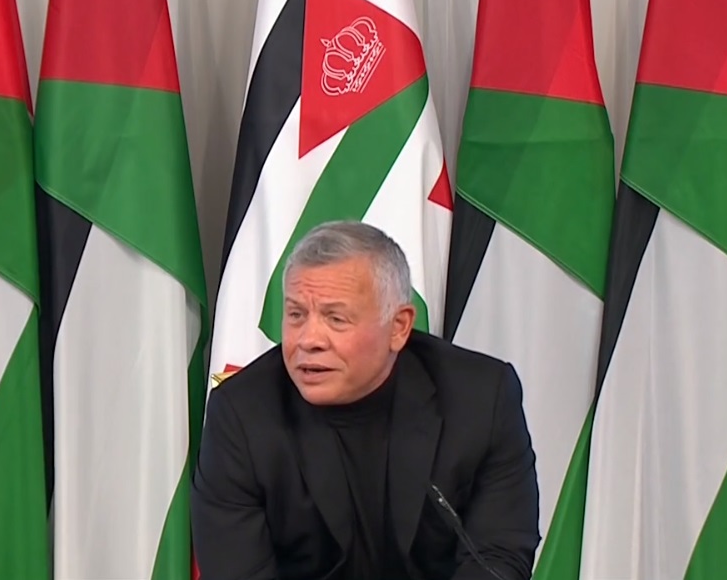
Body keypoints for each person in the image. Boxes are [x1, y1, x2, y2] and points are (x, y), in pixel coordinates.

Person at [191, 221, 540, 580]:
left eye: (335, 318)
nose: (308, 340)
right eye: (296, 315)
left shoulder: (479, 399)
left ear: (399, 327)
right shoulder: (241, 414)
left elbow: (499, 555)